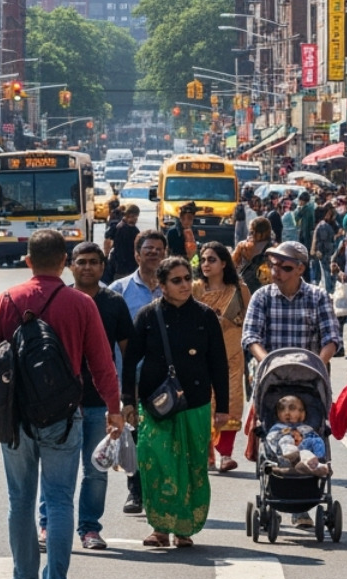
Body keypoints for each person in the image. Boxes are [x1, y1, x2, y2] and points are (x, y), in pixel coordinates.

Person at [0, 230, 124, 579]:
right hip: (64, 417)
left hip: (16, 419)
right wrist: (113, 408)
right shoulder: (81, 304)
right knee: (59, 500)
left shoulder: (8, 300)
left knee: (20, 501)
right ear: (65, 262)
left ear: (27, 261)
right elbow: (102, 364)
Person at [120, 255, 229, 548]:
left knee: (193, 466)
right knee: (157, 463)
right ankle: (159, 528)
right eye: (176, 280)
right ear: (162, 285)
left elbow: (219, 363)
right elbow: (130, 361)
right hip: (156, 405)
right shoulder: (147, 315)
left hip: (195, 403)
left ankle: (184, 528)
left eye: (186, 279)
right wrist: (128, 401)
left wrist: (224, 409)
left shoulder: (206, 316)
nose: (184, 285)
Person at [37, 243, 132, 555]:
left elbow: (126, 353)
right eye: (81, 262)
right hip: (58, 403)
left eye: (94, 262)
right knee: (53, 469)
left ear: (103, 267)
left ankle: (90, 527)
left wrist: (121, 401)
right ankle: (47, 524)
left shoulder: (114, 303)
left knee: (96, 469)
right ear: (69, 265)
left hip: (98, 403)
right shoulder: (57, 299)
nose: (88, 267)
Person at [241, 239, 344, 529]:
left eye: (285, 267)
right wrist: (266, 363)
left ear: (300, 269)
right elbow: (251, 337)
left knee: (310, 437)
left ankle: (303, 505)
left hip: (308, 382)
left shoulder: (317, 296)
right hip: (272, 383)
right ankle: (274, 495)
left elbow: (332, 338)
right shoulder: (262, 297)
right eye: (273, 265)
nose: (277, 272)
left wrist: (318, 365)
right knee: (274, 441)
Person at [108, 228, 169, 516]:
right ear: (136, 254)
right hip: (129, 378)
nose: (154, 253)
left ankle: (162, 492)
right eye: (148, 249)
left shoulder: (177, 287)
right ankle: (136, 491)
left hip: (166, 380)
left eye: (159, 249)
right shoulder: (119, 290)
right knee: (133, 436)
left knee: (162, 436)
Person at [194, 242, 249, 472]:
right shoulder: (195, 289)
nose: (206, 264)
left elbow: (250, 321)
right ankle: (207, 456)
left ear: (224, 263)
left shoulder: (239, 290)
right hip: (201, 357)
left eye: (212, 260)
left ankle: (225, 454)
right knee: (204, 403)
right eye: (203, 260)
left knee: (230, 402)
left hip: (232, 355)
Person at [264, 395, 330, 475]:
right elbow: (271, 439)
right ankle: (292, 454)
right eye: (282, 409)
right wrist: (284, 434)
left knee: (313, 444)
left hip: (301, 452)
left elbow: (312, 437)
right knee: (286, 439)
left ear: (302, 413)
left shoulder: (305, 428)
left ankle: (314, 466)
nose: (287, 412)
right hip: (283, 455)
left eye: (292, 408)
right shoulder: (278, 427)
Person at [232, 217, 275, 294]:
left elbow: (232, 265)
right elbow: (232, 265)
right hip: (249, 286)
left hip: (258, 287)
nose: (253, 234)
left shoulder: (273, 250)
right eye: (252, 232)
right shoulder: (243, 246)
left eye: (254, 231)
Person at [104, 204, 142, 278]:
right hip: (121, 266)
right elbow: (107, 241)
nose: (135, 219)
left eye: (136, 217)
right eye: (133, 216)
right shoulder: (117, 227)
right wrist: (106, 257)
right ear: (128, 215)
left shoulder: (135, 230)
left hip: (128, 265)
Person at [311, 206, 339, 292]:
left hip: (326, 255)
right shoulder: (323, 226)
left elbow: (322, 241)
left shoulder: (324, 226)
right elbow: (323, 241)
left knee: (326, 274)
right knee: (326, 274)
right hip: (326, 254)